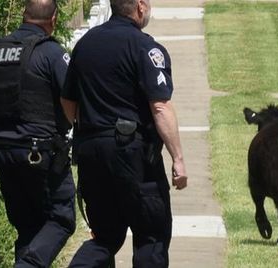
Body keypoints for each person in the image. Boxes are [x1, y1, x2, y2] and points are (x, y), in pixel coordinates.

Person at [61, 0, 187, 266]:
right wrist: (178, 158)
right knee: (151, 236)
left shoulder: (85, 45)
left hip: (91, 152)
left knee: (104, 237)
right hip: (134, 157)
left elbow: (67, 100)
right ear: (140, 6)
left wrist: (90, 129)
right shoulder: (146, 48)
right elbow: (161, 107)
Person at [0, 0, 76, 266]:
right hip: (40, 155)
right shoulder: (52, 53)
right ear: (54, 19)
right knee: (61, 219)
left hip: (2, 154)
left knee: (28, 227)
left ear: (23, 16)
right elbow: (73, 99)